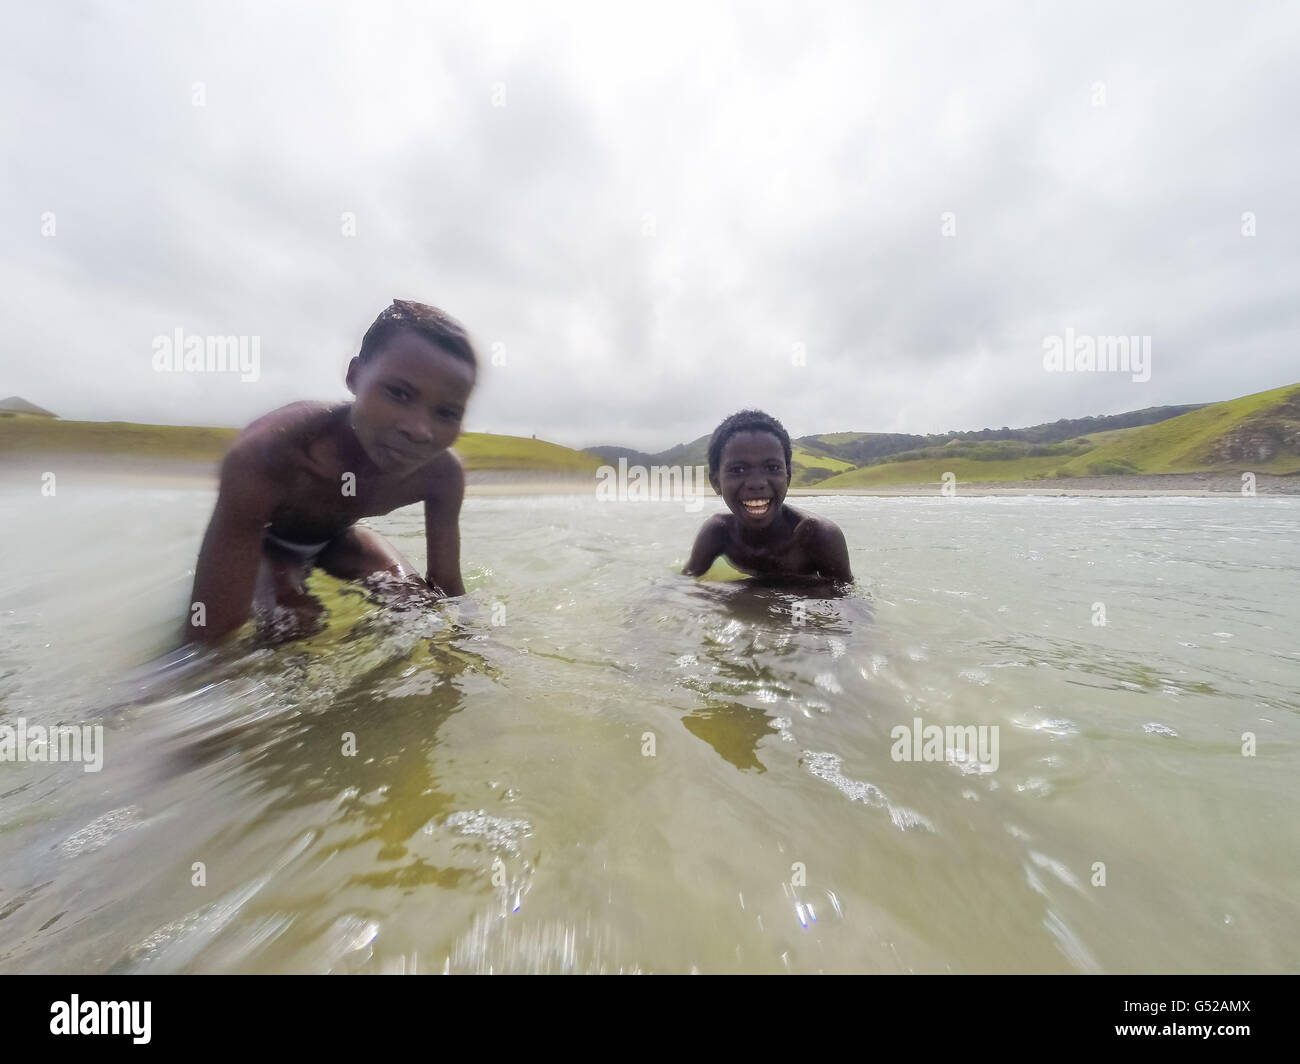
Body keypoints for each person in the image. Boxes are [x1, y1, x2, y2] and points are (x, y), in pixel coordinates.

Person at [186, 299, 475, 644]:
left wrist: (476, 645)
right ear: (354, 376)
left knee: (417, 607)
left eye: (446, 413)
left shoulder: (442, 474)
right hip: (268, 542)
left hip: (340, 538)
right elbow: (209, 636)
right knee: (293, 624)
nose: (420, 430)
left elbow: (449, 591)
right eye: (398, 393)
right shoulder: (270, 453)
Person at [682, 409, 853, 583]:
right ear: (716, 483)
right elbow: (682, 585)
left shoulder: (817, 535)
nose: (757, 483)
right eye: (738, 470)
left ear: (788, 477)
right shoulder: (718, 532)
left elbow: (848, 602)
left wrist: (744, 593)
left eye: (772, 468)